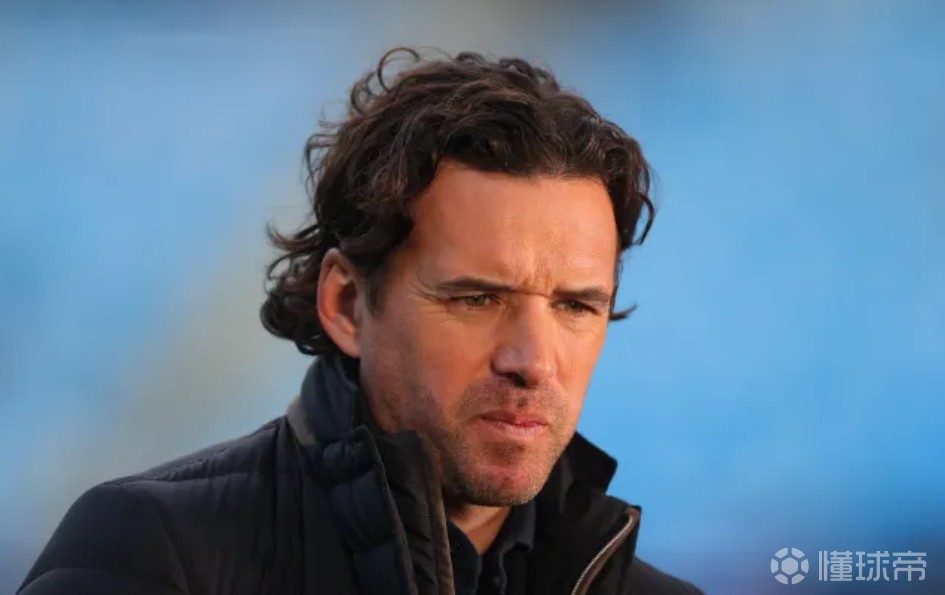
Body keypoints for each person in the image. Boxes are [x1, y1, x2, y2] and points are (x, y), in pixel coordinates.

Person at [19, 47, 703, 595]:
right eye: (476, 299)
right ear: (347, 304)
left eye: (574, 306)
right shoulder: (151, 553)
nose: (532, 359)